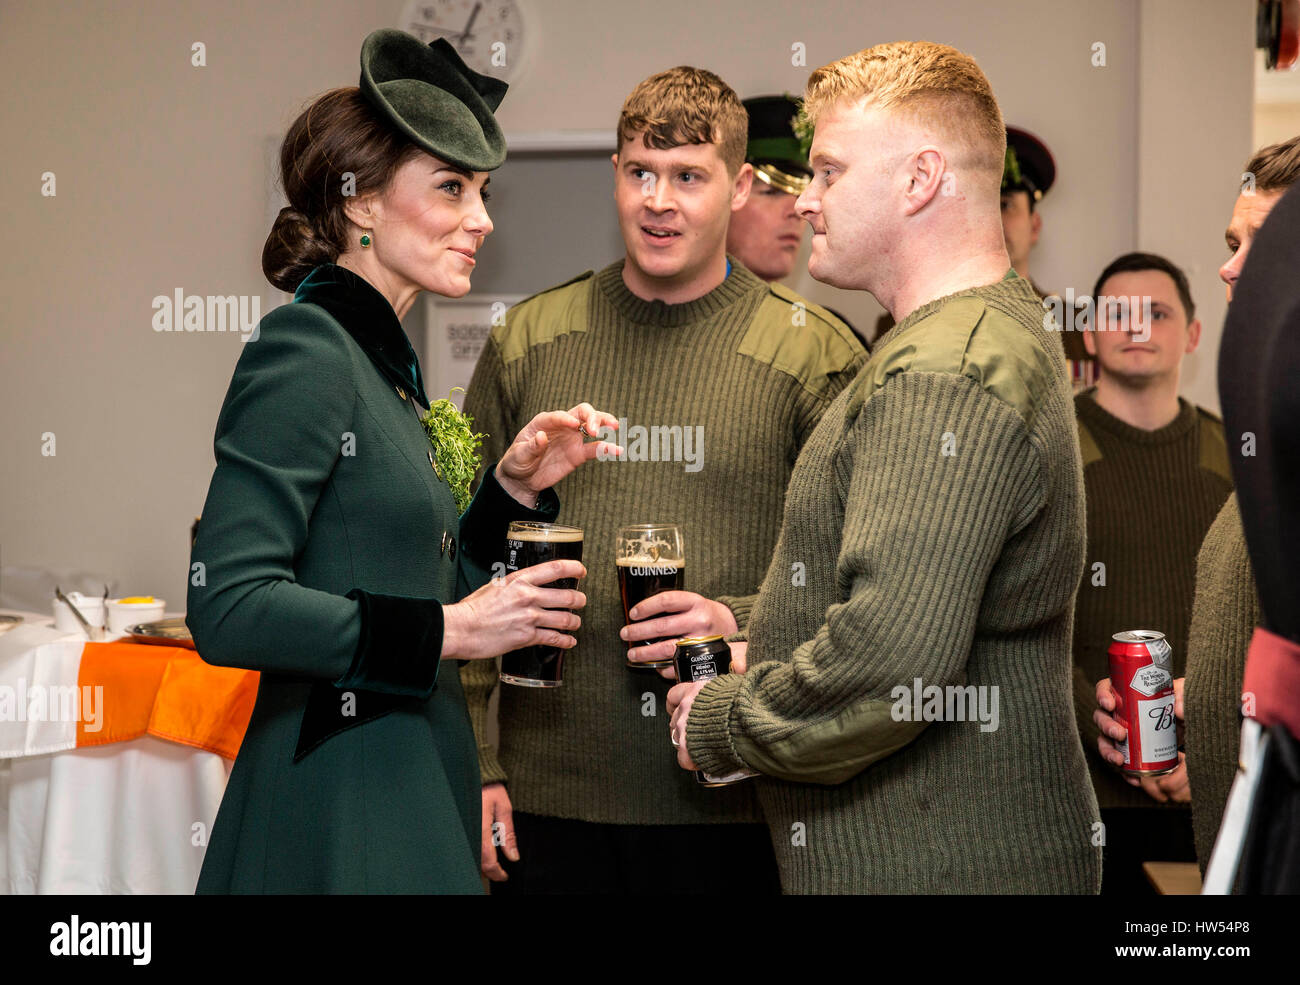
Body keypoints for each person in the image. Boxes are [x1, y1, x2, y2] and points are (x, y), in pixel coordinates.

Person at [187, 30, 617, 893]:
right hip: (343, 788)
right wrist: (455, 632)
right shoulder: (306, 348)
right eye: (452, 188)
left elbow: (409, 572)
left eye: (484, 192)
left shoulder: (382, 369)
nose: (483, 219)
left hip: (413, 769)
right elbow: (227, 603)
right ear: (363, 205)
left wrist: (510, 489)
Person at [666, 41, 1100, 894]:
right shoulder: (983, 328)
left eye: (828, 171)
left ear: (919, 179)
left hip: (936, 865)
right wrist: (760, 619)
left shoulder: (946, 370)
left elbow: (892, 661)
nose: (809, 201)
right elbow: (934, 586)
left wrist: (718, 722)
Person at [462, 66, 866, 894]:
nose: (660, 200)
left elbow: (859, 581)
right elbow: (460, 555)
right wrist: (472, 760)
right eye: (641, 172)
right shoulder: (530, 339)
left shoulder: (814, 355)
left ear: (741, 185)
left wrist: (735, 617)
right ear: (614, 174)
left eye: (688, 176)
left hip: (731, 790)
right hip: (546, 792)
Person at [1092, 136, 1300, 878]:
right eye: (1232, 242)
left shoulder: (1235, 441)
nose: (1232, 265)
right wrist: (1204, 703)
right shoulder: (1265, 439)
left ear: (1192, 334)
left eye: (1264, 244)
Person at [1068, 252, 1232, 894]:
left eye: (1157, 313)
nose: (1137, 327)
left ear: (1192, 334)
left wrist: (1213, 741)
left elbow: (1270, 626)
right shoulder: (1048, 452)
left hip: (1219, 795)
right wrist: (1103, 728)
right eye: (1118, 313)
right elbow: (1014, 625)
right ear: (1089, 333)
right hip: (1082, 798)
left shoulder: (1237, 455)